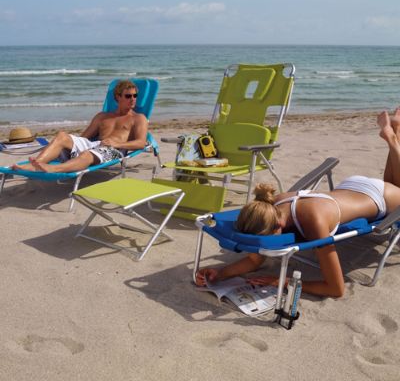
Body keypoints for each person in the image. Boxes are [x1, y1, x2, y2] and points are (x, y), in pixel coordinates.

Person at [195, 109, 400, 298]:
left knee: (392, 187)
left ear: (279, 227)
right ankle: (395, 132)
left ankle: (393, 140)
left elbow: (336, 289)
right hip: (353, 186)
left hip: (378, 198)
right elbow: (253, 260)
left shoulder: (314, 221)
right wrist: (220, 273)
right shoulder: (271, 203)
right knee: (392, 183)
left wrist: (281, 282)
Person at [12, 80, 148, 173]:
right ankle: (35, 164)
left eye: (135, 95)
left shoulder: (138, 118)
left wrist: (118, 143)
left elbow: (141, 143)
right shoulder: (102, 116)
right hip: (94, 144)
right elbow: (83, 138)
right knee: (62, 136)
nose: (133, 99)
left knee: (87, 154)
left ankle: (53, 169)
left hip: (115, 150)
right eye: (128, 96)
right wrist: (67, 144)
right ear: (118, 97)